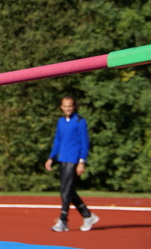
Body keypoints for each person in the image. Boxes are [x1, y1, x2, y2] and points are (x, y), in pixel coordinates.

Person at [45, 96, 99, 232]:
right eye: (65, 106)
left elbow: (84, 143)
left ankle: (63, 220)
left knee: (66, 190)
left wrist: (82, 161)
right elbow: (57, 140)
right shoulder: (61, 122)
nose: (68, 108)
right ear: (61, 107)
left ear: (74, 107)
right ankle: (88, 215)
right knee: (66, 190)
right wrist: (51, 157)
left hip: (73, 159)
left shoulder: (80, 121)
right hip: (62, 158)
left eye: (70, 106)